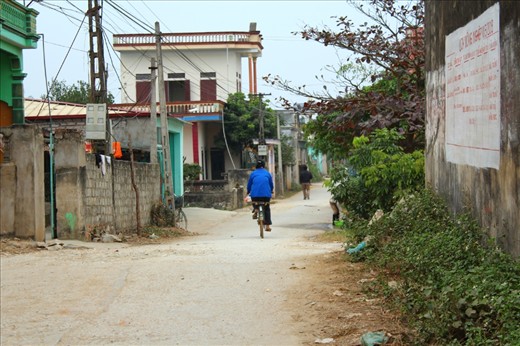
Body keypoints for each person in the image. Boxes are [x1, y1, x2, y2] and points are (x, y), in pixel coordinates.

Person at [246, 160, 274, 232]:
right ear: (264, 166)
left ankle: (256, 209)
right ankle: (267, 226)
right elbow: (271, 184)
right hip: (266, 195)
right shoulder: (267, 173)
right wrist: (271, 191)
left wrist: (248, 191)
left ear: (256, 166)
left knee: (254, 201)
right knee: (267, 208)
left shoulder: (253, 173)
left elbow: (249, 185)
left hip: (255, 195)